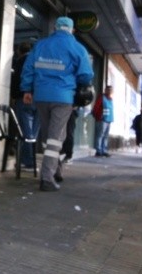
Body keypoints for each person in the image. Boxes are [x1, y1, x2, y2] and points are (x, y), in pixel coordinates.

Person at [20, 16, 93, 191]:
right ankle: (47, 178)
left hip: (41, 96)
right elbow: (86, 75)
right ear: (71, 29)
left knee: (49, 137)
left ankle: (55, 169)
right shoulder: (77, 48)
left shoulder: (40, 45)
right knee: (54, 138)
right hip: (63, 97)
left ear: (56, 28)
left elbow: (28, 68)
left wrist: (27, 90)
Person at [10, 42, 37, 169]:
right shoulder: (38, 59)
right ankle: (30, 158)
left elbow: (17, 80)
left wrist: (15, 96)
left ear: (19, 51)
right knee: (33, 132)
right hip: (40, 99)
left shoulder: (21, 62)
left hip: (25, 98)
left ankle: (27, 160)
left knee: (25, 131)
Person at [91, 85, 114, 157]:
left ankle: (104, 150)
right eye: (108, 90)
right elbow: (96, 108)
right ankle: (98, 150)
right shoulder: (102, 98)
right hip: (102, 119)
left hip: (108, 120)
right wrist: (97, 116)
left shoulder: (110, 99)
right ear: (105, 90)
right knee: (100, 135)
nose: (109, 91)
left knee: (105, 136)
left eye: (111, 90)